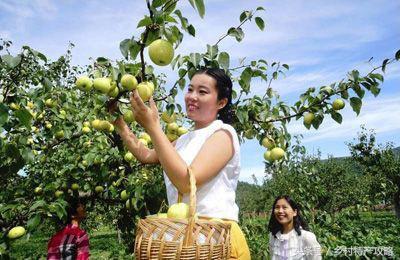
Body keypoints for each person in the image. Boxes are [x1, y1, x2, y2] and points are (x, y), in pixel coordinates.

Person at [113, 68, 251, 259]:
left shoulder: (223, 134)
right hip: (184, 238)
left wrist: (153, 127)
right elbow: (145, 155)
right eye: (190, 89)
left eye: (202, 92)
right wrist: (119, 124)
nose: (192, 97)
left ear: (221, 102)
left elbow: (187, 183)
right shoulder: (183, 140)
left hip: (216, 239)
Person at [268, 195, 321, 260]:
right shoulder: (273, 236)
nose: (280, 211)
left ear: (294, 212)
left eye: (284, 207)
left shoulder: (306, 237)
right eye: (277, 207)